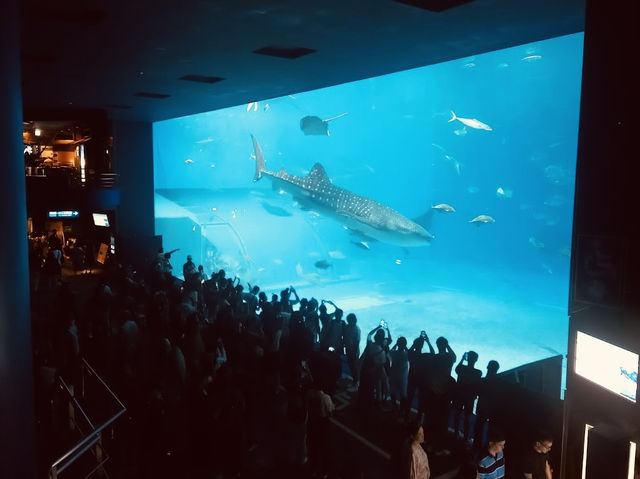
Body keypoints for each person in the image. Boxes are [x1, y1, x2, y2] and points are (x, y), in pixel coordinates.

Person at [454, 350, 482, 442]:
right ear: (476, 360)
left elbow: (456, 369)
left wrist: (462, 358)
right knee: (467, 418)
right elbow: (477, 386)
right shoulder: (478, 373)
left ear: (468, 358)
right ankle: (465, 437)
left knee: (457, 415)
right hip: (469, 398)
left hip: (459, 395)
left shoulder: (461, 368)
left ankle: (455, 433)